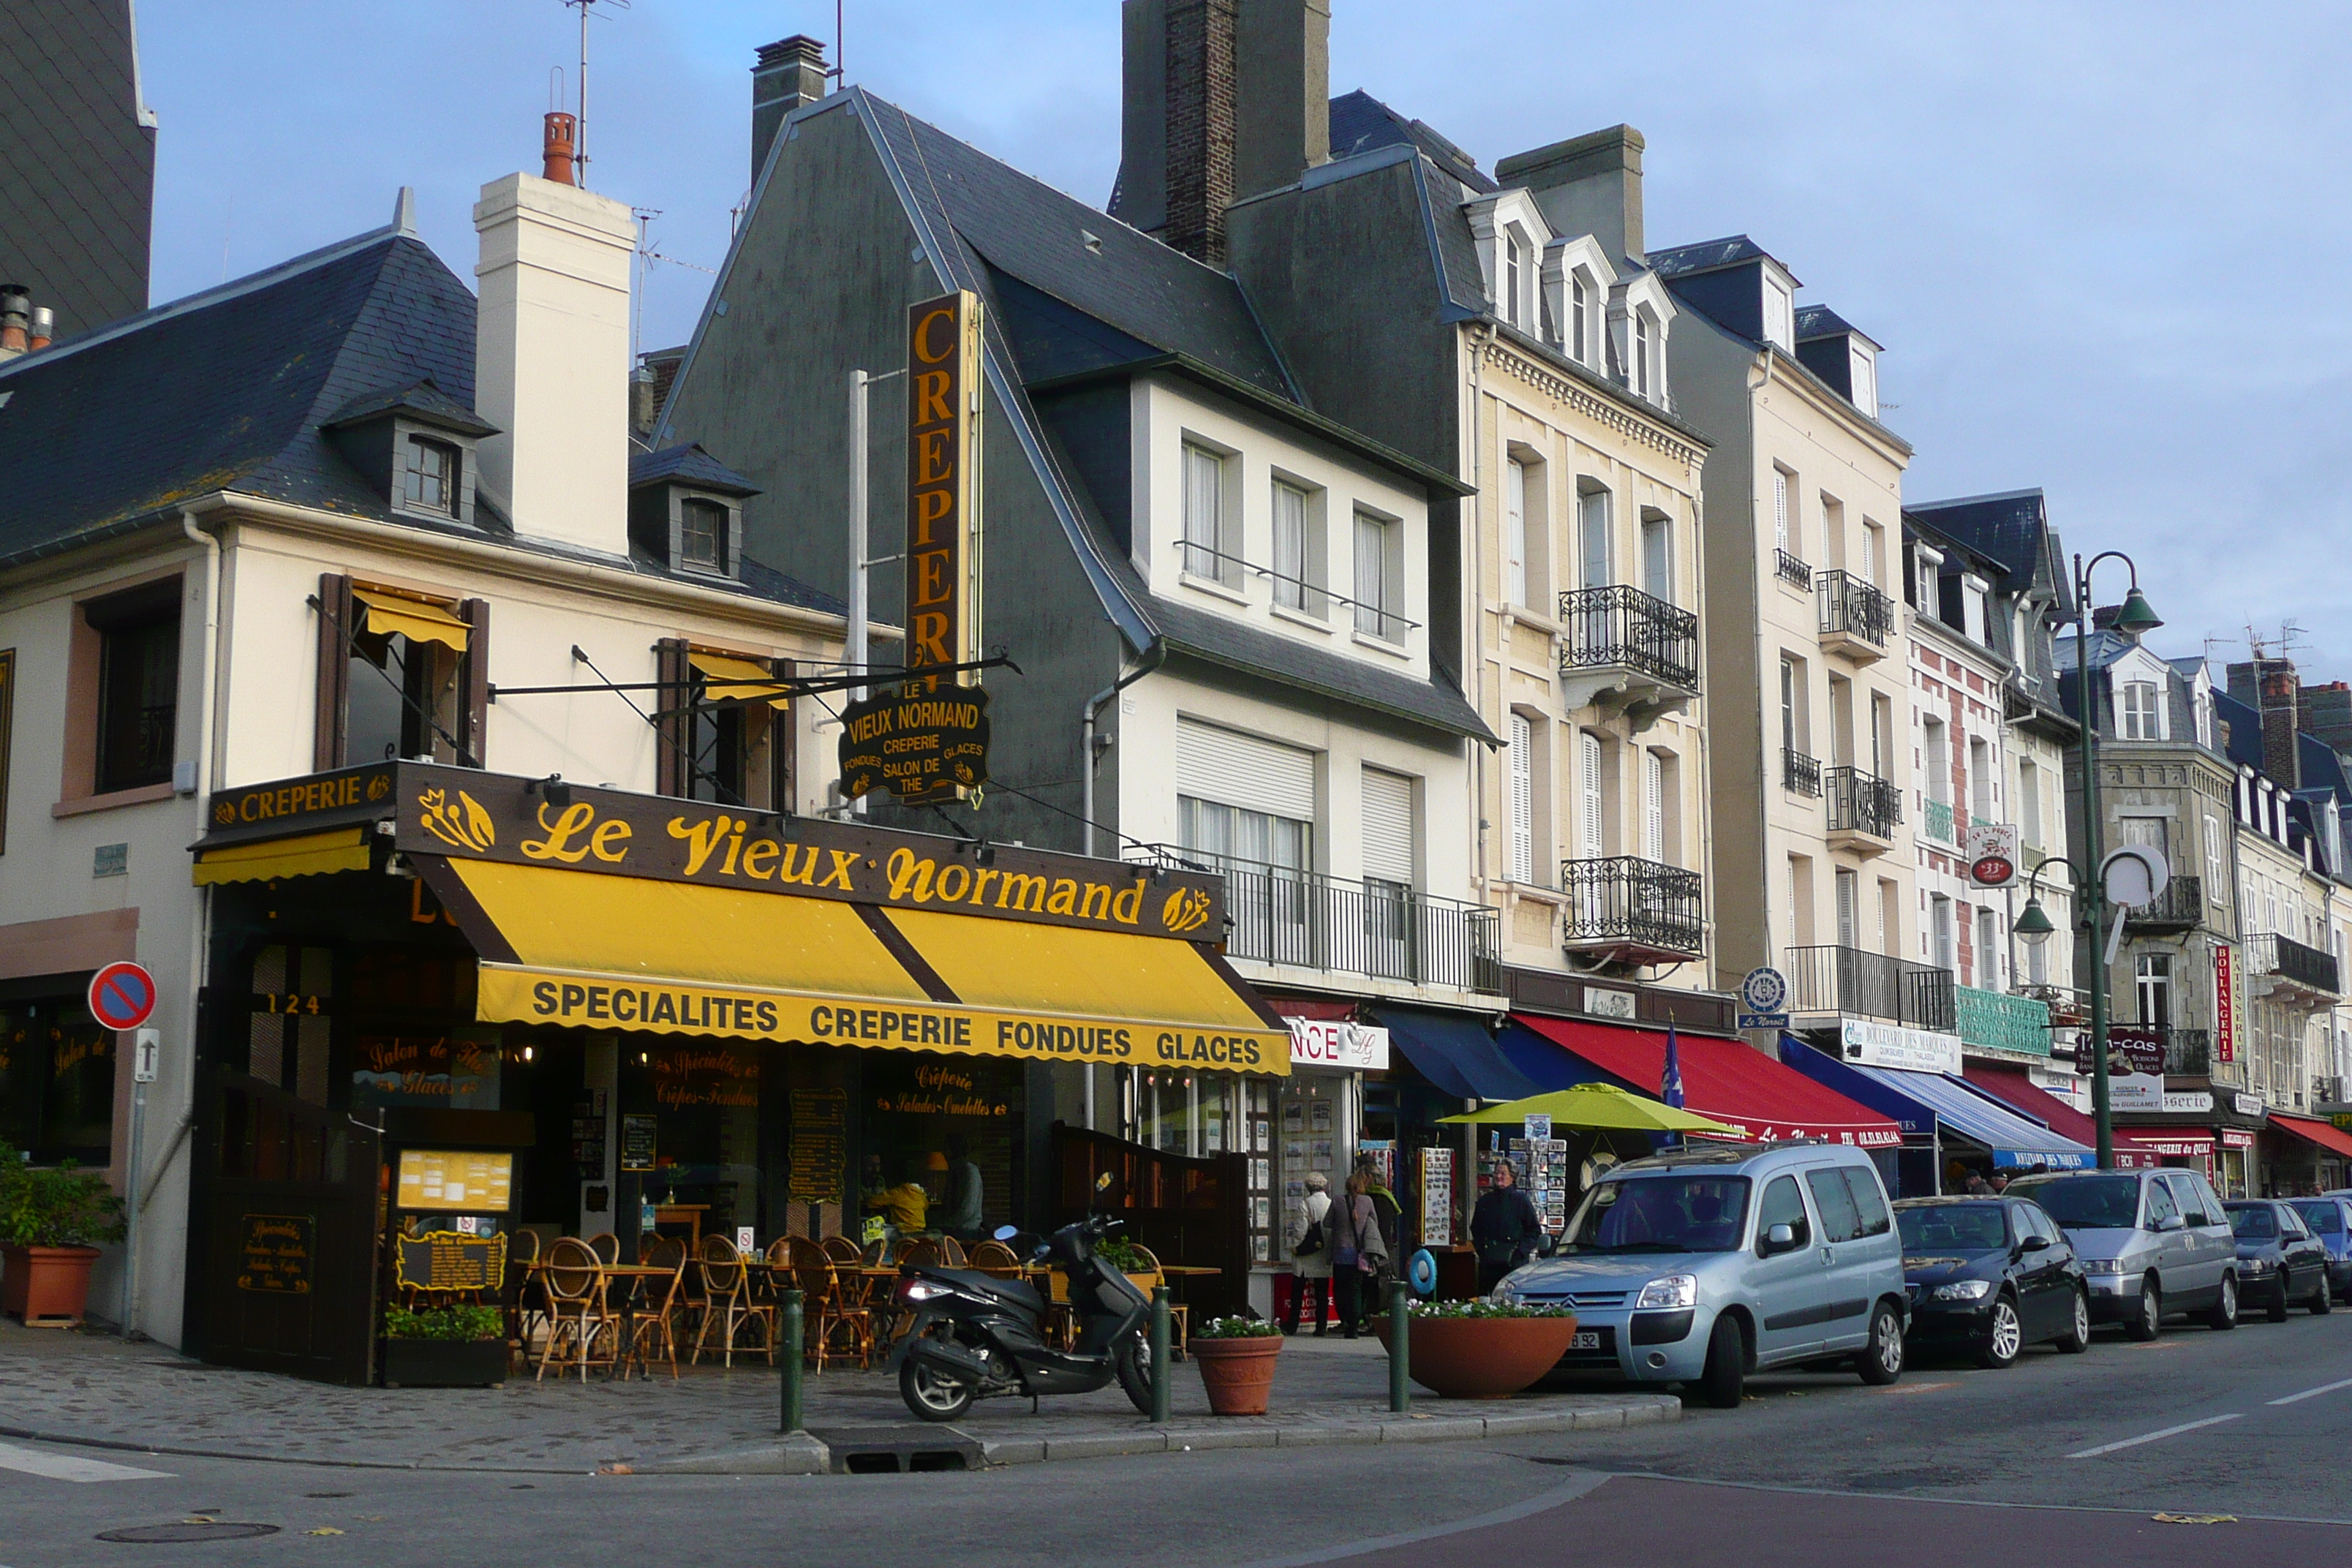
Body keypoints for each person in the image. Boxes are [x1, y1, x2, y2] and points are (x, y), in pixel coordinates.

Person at [1326, 1169, 1390, 1338]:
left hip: (1340, 1254)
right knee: (1356, 1290)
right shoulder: (1368, 1201)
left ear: (1347, 1186)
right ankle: (1354, 1327)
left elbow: (1327, 1223)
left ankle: (1345, 1321)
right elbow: (1374, 1223)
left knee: (1340, 1289)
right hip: (1359, 1256)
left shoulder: (1337, 1201)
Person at [1471, 1159, 1542, 1293]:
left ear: (1512, 1177)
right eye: (1497, 1173)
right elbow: (1475, 1229)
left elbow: (1534, 1231)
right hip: (1489, 1264)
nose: (1499, 1177)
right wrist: (1483, 1251)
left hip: (1514, 1264)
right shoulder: (1484, 1202)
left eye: (1503, 1173)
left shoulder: (1521, 1201)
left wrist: (1520, 1252)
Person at [1284, 1173, 1333, 1335]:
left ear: (1308, 1188)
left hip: (1306, 1255)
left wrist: (1295, 1247)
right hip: (1323, 1253)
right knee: (1322, 1293)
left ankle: (1292, 1325)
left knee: (1297, 1291)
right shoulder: (1330, 1204)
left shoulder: (1305, 1204)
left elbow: (1300, 1230)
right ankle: (1321, 1327)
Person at [942, 1137, 984, 1240]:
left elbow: (967, 1210)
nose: (944, 1154)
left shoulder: (969, 1171)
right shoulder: (953, 1171)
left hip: (967, 1229)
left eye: (946, 1150)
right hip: (955, 1227)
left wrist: (946, 1224)